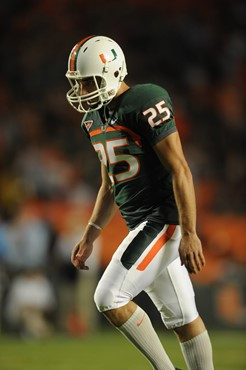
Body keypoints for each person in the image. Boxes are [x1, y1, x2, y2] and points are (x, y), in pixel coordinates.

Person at [66, 35, 214, 370]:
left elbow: (180, 167)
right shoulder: (92, 120)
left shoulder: (144, 99)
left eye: (88, 81)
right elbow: (109, 183)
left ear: (112, 71)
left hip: (161, 219)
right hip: (142, 224)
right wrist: (91, 233)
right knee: (183, 318)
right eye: (78, 83)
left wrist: (190, 231)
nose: (83, 90)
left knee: (108, 297)